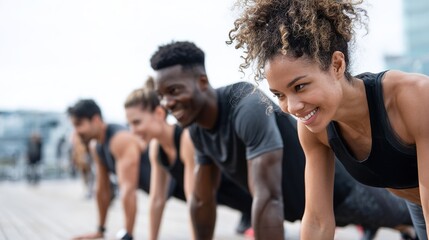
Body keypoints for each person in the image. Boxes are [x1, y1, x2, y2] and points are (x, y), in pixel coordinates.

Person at [150, 40, 418, 240]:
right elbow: (201, 200)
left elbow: (267, 197)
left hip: (345, 192)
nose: (167, 102)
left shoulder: (245, 106)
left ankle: (403, 226)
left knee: (398, 215)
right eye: (279, 94)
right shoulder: (197, 130)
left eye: (173, 90)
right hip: (306, 207)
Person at [227, 0, 429, 239]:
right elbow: (316, 221)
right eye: (280, 95)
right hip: (418, 208)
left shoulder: (414, 98)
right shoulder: (314, 129)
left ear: (337, 64)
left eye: (300, 86)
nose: (292, 107)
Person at [124, 77, 254, 239]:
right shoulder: (156, 148)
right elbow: (157, 200)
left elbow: (196, 201)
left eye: (137, 122)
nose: (133, 131)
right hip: (222, 199)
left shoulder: (186, 138)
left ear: (158, 113)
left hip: (246, 194)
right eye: (129, 124)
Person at [67, 99, 152, 240]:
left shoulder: (119, 139)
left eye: (79, 125)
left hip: (176, 182)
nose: (76, 132)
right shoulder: (97, 146)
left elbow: (128, 190)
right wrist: (100, 230)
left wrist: (128, 236)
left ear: (95, 120)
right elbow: (102, 190)